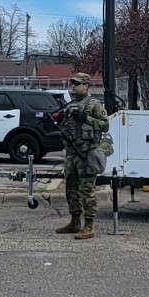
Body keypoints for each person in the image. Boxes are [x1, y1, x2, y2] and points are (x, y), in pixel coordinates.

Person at [54, 72, 109, 239]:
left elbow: (105, 125)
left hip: (86, 153)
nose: (74, 87)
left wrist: (86, 118)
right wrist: (62, 119)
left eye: (77, 84)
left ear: (86, 86)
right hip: (71, 154)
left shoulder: (94, 104)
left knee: (87, 190)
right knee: (71, 189)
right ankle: (75, 221)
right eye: (73, 84)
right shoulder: (70, 105)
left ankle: (89, 226)